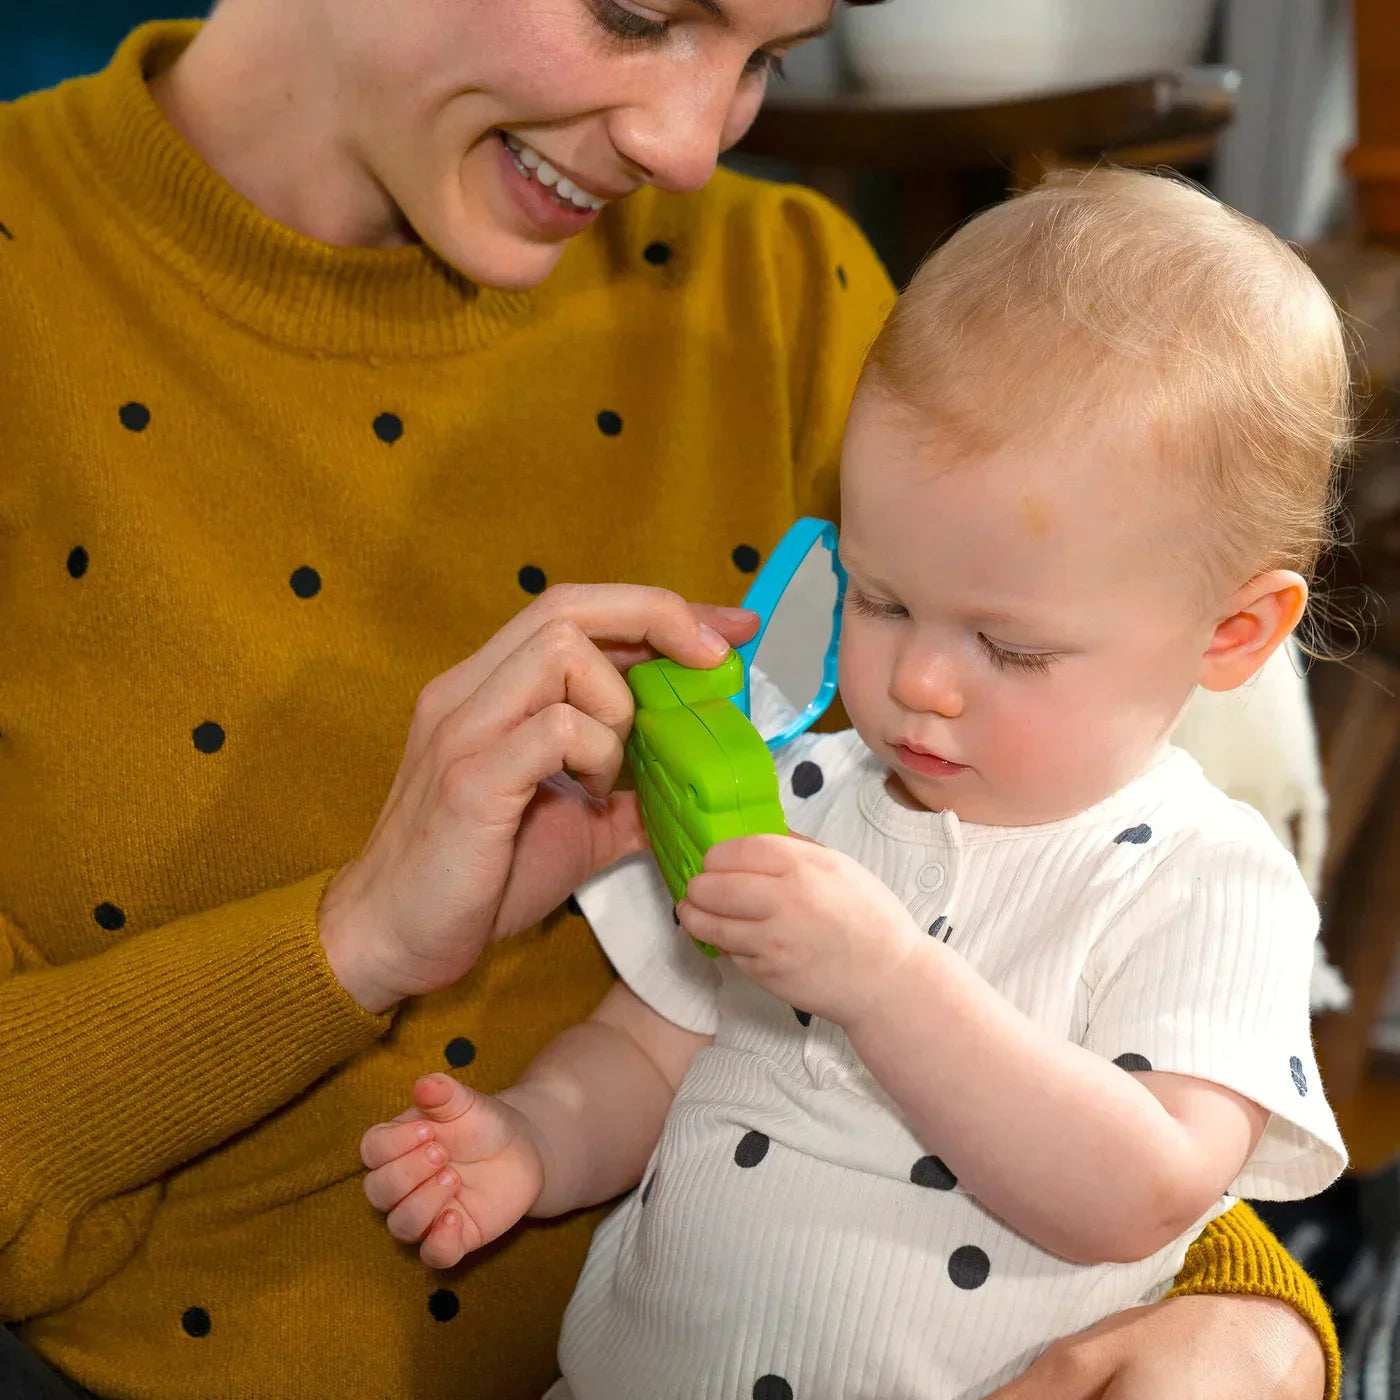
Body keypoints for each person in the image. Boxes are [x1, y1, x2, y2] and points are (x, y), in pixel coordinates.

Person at [0, 0, 1339, 1393]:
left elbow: (1100, 1004)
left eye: (768, 55)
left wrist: (1252, 1327)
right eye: (636, 14)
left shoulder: (794, 295)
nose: (689, 145)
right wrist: (363, 941)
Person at [361, 169, 1352, 1398]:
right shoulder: (807, 788)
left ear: (1230, 633)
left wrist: (888, 983)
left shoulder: (1205, 882)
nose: (922, 682)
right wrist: (533, 1137)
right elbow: (650, 1048)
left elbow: (1144, 1188)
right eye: (882, 599)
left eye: (1009, 647)